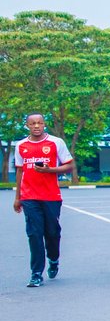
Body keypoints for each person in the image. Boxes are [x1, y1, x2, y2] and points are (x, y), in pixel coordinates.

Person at [12, 114, 74, 287]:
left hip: (51, 196)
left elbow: (69, 165)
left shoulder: (56, 142)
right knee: (34, 234)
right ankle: (36, 273)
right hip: (29, 197)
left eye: (39, 123)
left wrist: (50, 170)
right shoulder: (21, 145)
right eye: (33, 123)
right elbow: (20, 171)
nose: (36, 126)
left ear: (44, 124)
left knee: (52, 233)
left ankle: (53, 259)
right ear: (27, 126)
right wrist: (18, 198)